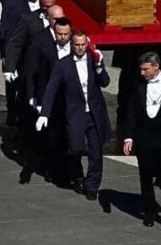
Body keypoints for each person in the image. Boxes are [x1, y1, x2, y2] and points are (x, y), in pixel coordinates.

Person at [38, 31, 110, 200]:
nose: (79, 48)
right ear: (72, 45)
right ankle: (78, 178)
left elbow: (105, 82)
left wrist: (99, 67)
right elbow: (51, 88)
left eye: (82, 44)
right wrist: (44, 113)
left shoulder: (94, 61)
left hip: (94, 113)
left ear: (87, 44)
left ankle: (92, 186)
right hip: (75, 114)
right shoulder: (63, 65)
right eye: (76, 44)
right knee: (74, 149)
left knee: (96, 152)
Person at [122, 52, 161, 233]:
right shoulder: (137, 84)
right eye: (141, 70)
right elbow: (131, 112)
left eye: (145, 69)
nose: (142, 73)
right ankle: (149, 212)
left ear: (156, 67)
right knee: (145, 177)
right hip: (145, 138)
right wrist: (129, 136)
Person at [24, 13, 70, 185]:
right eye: (60, 34)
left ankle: (72, 172)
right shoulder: (43, 42)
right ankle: (53, 169)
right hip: (50, 99)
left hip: (70, 100)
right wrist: (33, 96)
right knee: (52, 137)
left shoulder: (76, 46)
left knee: (70, 136)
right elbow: (33, 70)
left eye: (66, 34)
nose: (63, 37)